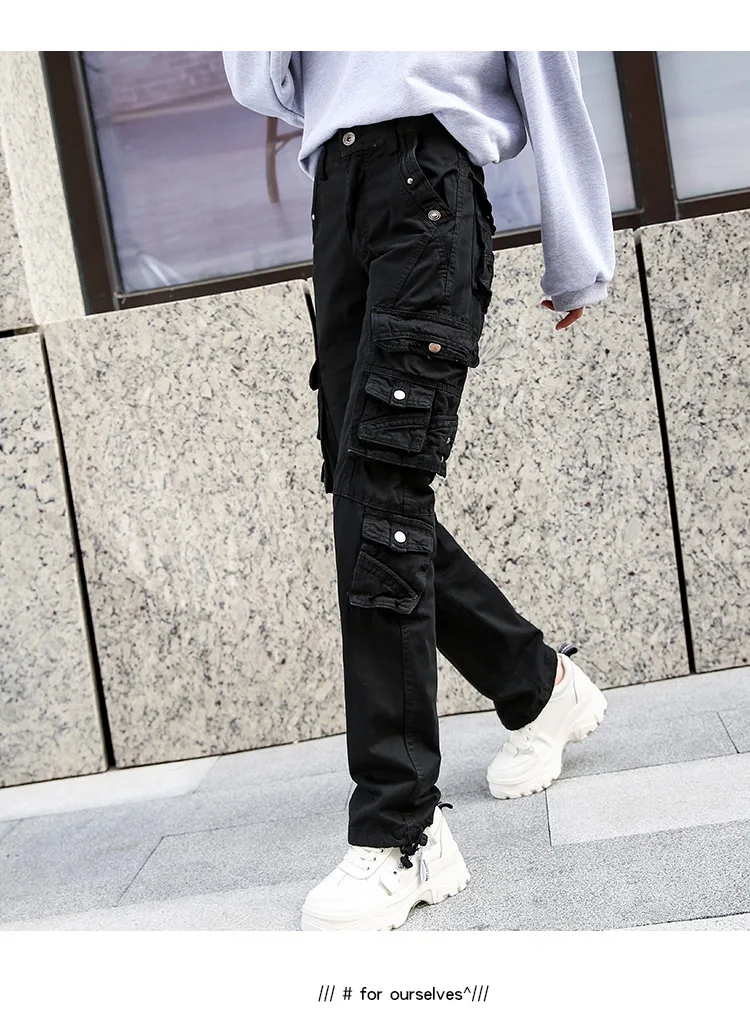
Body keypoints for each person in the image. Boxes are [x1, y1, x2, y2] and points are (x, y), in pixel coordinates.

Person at [222, 51, 615, 932]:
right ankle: (537, 682)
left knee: (381, 501)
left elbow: (545, 58)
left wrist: (578, 252)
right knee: (366, 498)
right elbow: (266, 83)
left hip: (427, 194)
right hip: (337, 192)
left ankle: (403, 831)